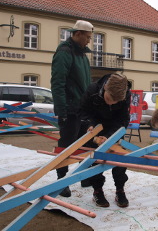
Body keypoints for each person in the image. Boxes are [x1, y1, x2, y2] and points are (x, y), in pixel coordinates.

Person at [51, 20, 94, 197]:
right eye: (88, 37)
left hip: (82, 108)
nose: (89, 41)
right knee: (66, 145)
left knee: (88, 143)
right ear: (77, 34)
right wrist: (62, 111)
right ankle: (61, 182)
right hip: (69, 108)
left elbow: (86, 83)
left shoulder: (82, 55)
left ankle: (84, 176)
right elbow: (58, 83)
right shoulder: (64, 53)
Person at [79, 73, 131, 207]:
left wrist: (110, 136)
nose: (111, 103)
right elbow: (83, 112)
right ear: (106, 87)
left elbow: (123, 119)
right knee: (96, 160)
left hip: (114, 130)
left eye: (115, 102)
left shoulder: (125, 95)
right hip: (95, 129)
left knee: (119, 158)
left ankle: (120, 189)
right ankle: (98, 191)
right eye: (109, 99)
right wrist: (89, 125)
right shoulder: (92, 91)